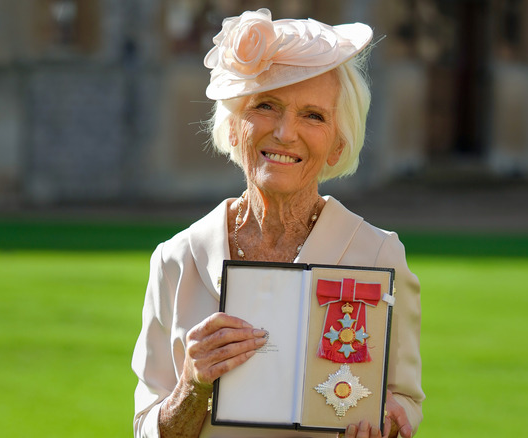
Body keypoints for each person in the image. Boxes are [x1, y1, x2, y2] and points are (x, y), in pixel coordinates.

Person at [132, 9, 424, 438]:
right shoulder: (176, 260)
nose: (286, 133)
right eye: (266, 106)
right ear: (233, 127)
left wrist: (389, 421)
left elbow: (404, 404)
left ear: (337, 144)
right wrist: (191, 387)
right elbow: (146, 428)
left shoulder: (379, 255)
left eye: (313, 115)